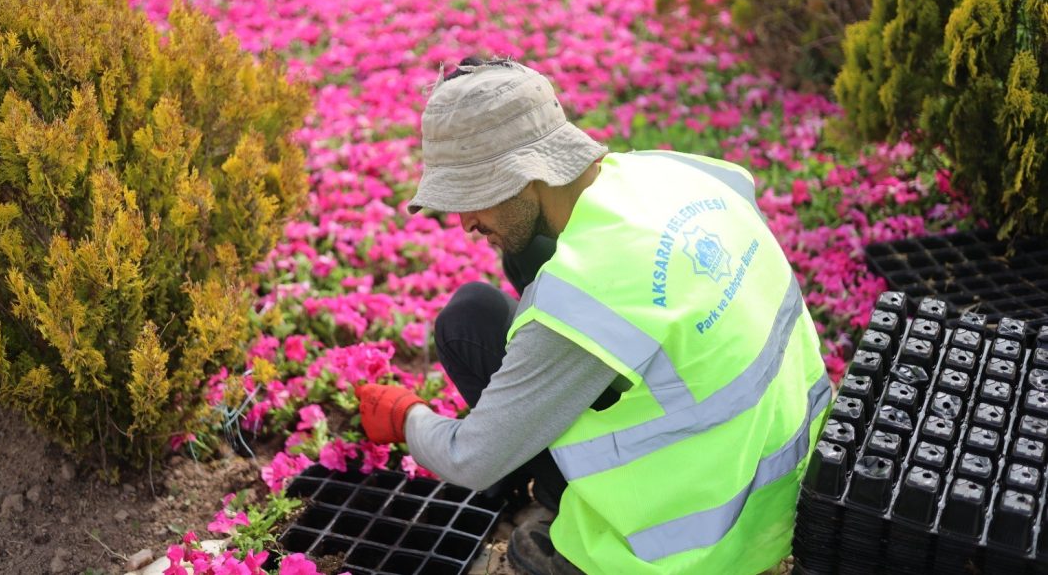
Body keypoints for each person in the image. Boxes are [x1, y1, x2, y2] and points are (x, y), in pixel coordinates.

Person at [356, 57, 832, 575]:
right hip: (794, 485)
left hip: (702, 548)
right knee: (494, 291)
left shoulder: (588, 296)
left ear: (526, 173)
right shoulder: (680, 173)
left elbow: (470, 460)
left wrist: (405, 416)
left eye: (471, 196)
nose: (465, 222)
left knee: (533, 542)